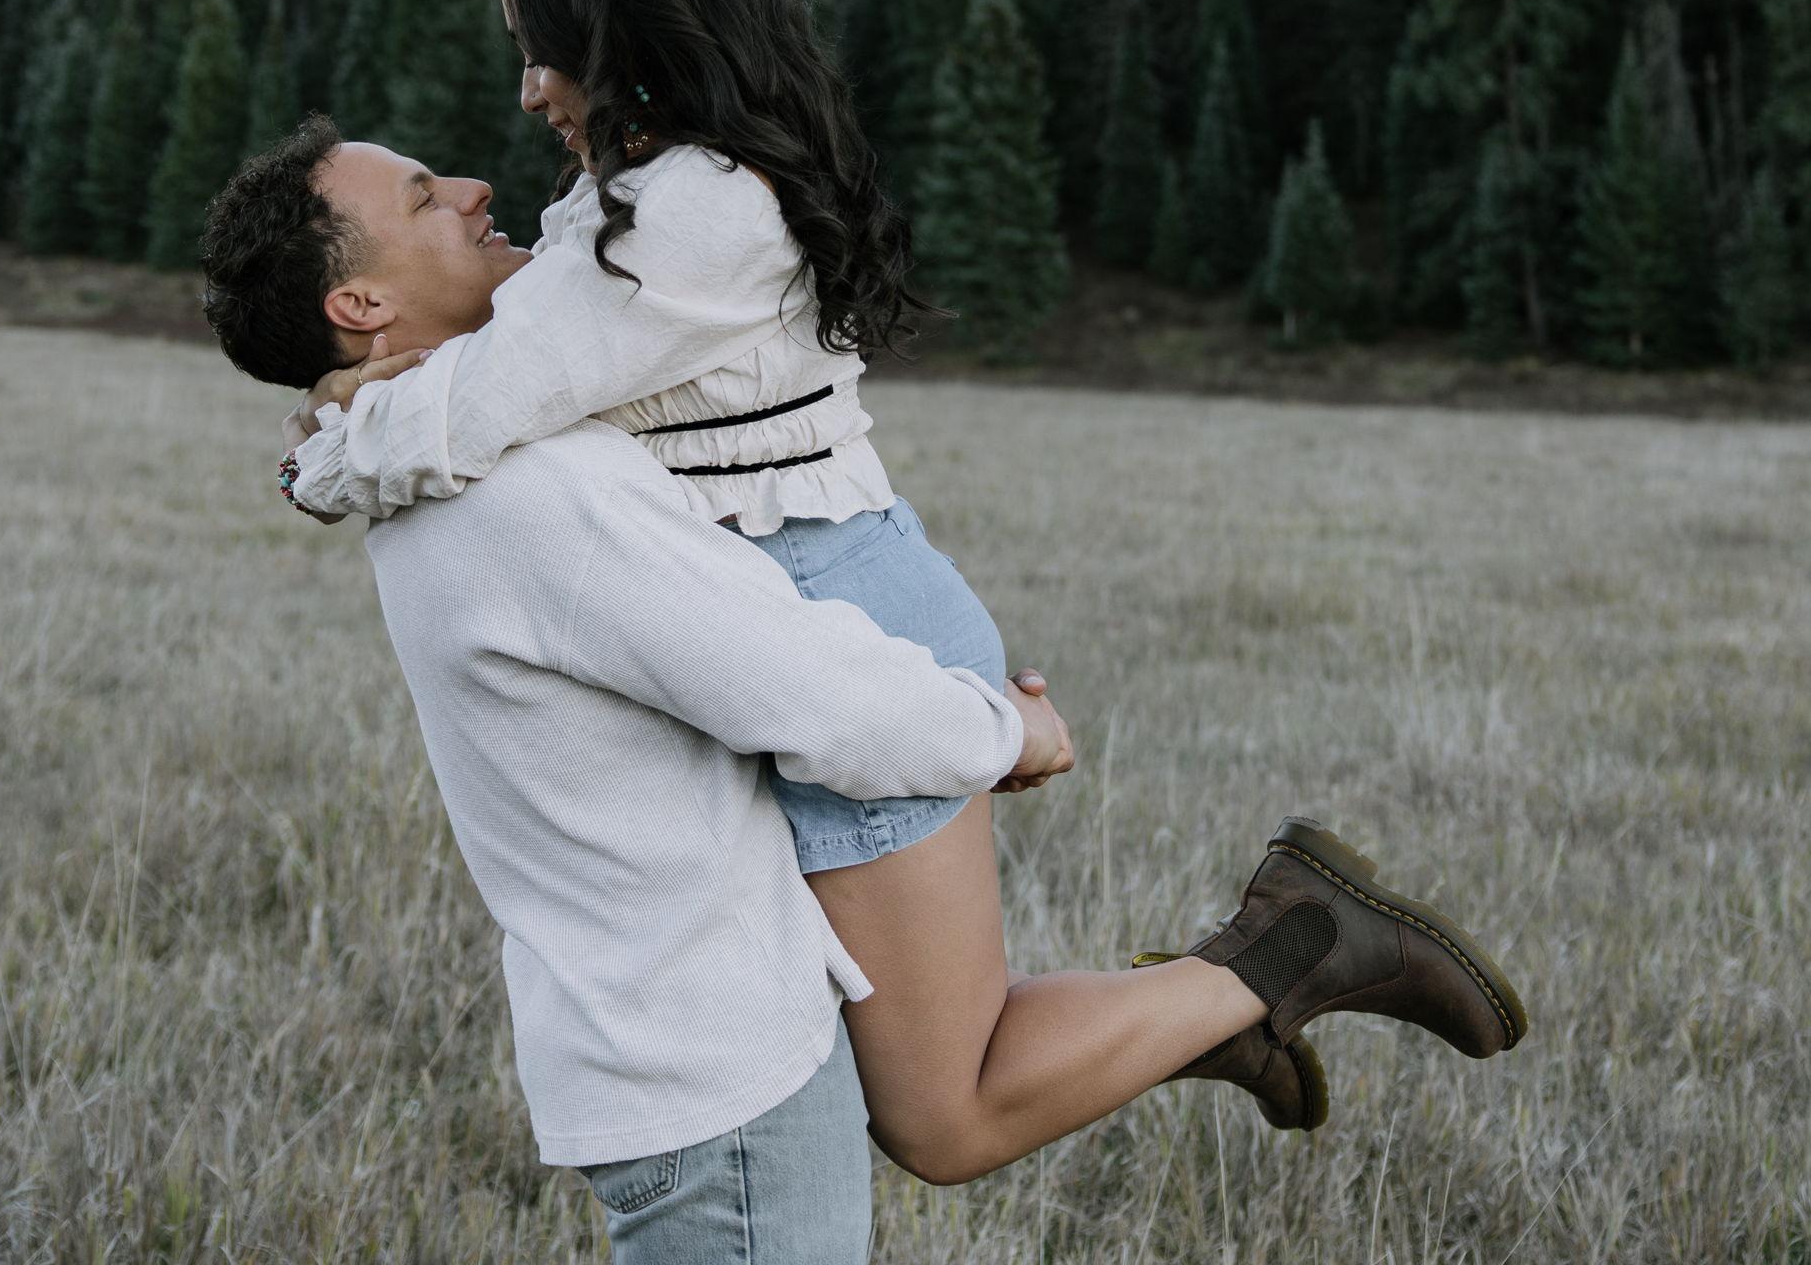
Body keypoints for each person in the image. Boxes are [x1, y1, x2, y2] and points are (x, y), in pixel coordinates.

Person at [200, 122, 1529, 1260]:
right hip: (715, 1081)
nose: (472, 188)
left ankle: (1236, 990)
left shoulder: (424, 463)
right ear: (359, 305)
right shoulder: (523, 491)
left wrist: (329, 430)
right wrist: (1004, 730)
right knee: (949, 1113)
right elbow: (801, 689)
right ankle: (1267, 968)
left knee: (949, 1105)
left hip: (670, 1060)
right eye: (422, 199)